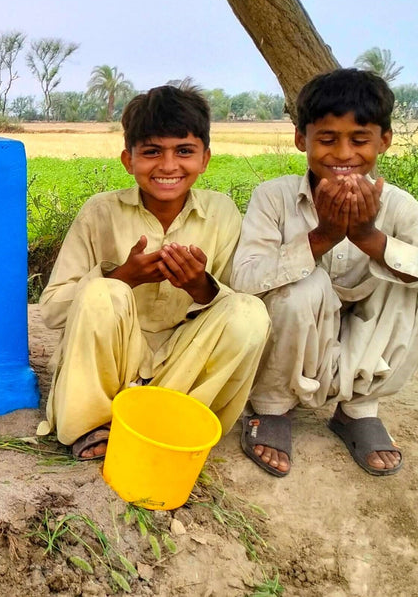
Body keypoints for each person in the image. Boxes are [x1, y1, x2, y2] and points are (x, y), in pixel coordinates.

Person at [231, 69, 418, 477]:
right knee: (301, 287)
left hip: (364, 333)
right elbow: (244, 280)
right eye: (327, 139)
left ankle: (357, 411)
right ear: (301, 139)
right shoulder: (274, 198)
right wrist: (322, 238)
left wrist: (371, 239)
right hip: (300, 328)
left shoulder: (398, 206)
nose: (343, 154)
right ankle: (271, 405)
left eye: (359, 139)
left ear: (384, 141)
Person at [36, 85, 269, 460]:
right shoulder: (100, 213)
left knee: (250, 312)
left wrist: (201, 286)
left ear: (205, 159)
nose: (168, 165)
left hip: (183, 369)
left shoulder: (222, 213)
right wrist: (123, 277)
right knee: (103, 292)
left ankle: (173, 421)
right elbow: (51, 310)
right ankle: (93, 424)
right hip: (112, 365)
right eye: (152, 152)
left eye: (184, 151)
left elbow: (232, 312)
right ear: (128, 160)